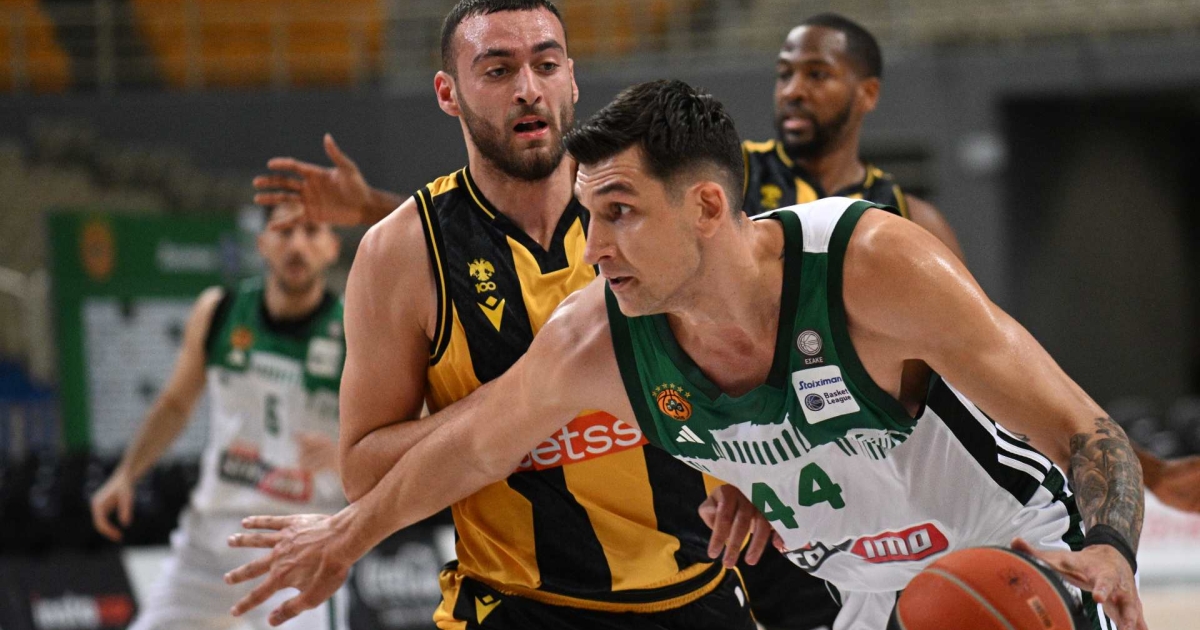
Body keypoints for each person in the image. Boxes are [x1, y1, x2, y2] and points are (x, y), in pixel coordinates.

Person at [225, 80, 1147, 630]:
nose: (594, 248)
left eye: (619, 213)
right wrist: (344, 537)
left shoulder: (869, 266)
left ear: (706, 207)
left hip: (1012, 552)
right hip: (861, 595)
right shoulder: (597, 336)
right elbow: (472, 446)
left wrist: (1110, 548)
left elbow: (1088, 432)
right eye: (590, 216)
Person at [250, 2, 756, 629]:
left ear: (572, 78)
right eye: (498, 70)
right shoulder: (403, 251)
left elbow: (757, 357)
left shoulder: (654, 204)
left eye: (546, 65)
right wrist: (529, 399)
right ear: (448, 93)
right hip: (514, 606)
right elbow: (364, 471)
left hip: (696, 594)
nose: (528, 90)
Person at [89, 204, 346, 629]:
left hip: (300, 545)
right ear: (262, 243)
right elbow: (175, 404)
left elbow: (398, 427)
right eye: (284, 232)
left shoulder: (353, 328)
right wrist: (126, 473)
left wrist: (347, 455)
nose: (297, 245)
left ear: (332, 246)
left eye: (311, 231)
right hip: (210, 539)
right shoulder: (219, 310)